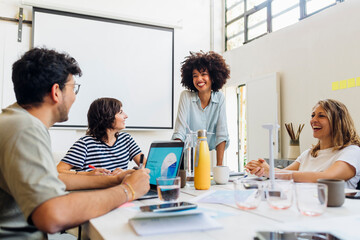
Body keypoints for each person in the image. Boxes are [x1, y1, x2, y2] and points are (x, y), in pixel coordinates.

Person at [0, 48, 150, 238]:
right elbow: (53, 215)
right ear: (56, 92)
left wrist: (113, 179)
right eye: (73, 88)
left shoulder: (14, 121)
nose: (74, 96)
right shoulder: (25, 129)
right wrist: (128, 190)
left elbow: (55, 178)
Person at [245, 99, 360, 189]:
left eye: (321, 116)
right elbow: (284, 174)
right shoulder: (308, 154)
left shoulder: (351, 152)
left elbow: (327, 177)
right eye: (312, 115)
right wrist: (264, 169)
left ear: (337, 122)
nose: (313, 120)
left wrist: (271, 171)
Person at [57, 97, 145, 175]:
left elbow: (146, 166)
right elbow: (58, 171)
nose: (126, 116)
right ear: (107, 116)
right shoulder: (85, 144)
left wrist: (128, 172)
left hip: (122, 189)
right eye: (120, 112)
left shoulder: (126, 139)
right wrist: (87, 174)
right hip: (96, 191)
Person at [172, 51, 230, 166]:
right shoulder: (186, 97)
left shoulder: (219, 98)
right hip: (185, 159)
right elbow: (179, 133)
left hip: (205, 158)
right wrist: (175, 165)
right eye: (195, 75)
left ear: (213, 76)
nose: (199, 79)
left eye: (203, 74)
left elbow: (221, 134)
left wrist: (219, 167)